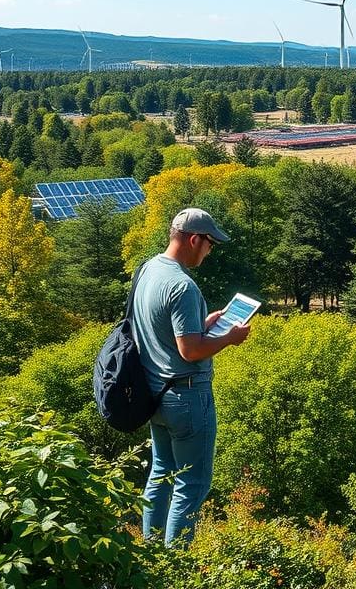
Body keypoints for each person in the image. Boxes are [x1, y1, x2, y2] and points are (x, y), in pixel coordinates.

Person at [133, 207, 251, 546]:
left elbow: (165, 332)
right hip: (186, 397)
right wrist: (229, 338)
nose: (210, 250)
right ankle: (176, 565)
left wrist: (206, 324)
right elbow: (191, 351)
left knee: (161, 474)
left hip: (155, 392)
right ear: (194, 239)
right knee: (192, 484)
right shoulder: (183, 287)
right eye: (210, 243)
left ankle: (151, 554)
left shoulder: (149, 270)